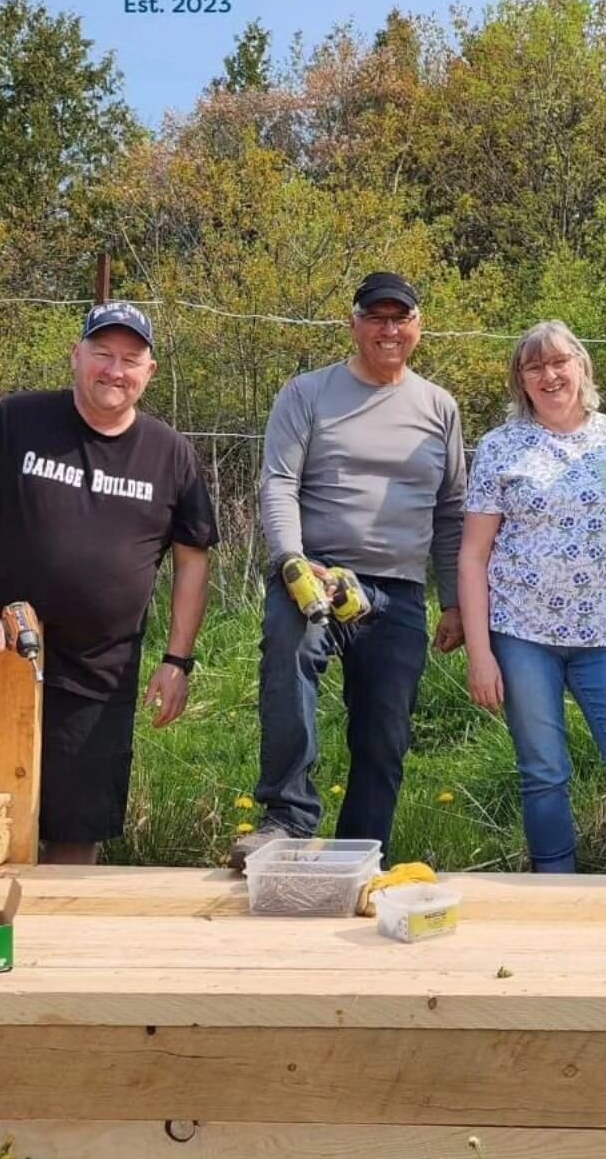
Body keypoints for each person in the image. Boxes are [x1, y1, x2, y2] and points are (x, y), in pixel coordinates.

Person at [0, 300, 219, 864]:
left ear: (149, 373)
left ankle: (55, 950)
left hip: (98, 673)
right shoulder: (16, 420)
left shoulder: (170, 453)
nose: (115, 370)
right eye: (102, 354)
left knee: (76, 831)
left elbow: (193, 559)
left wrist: (177, 659)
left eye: (131, 359)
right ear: (75, 357)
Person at [233, 272, 466, 867]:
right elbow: (279, 481)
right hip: (317, 574)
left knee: (385, 732)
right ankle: (286, 817)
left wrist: (456, 603)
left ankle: (358, 854)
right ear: (354, 323)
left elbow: (451, 510)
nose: (388, 329)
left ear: (418, 326)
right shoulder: (308, 393)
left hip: (399, 590)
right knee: (289, 664)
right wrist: (290, 559)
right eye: (376, 317)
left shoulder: (439, 407)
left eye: (400, 318)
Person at [459, 321, 606, 874]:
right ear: (521, 382)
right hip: (521, 634)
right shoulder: (498, 447)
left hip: (605, 637)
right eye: (534, 368)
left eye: (559, 362)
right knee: (544, 772)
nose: (549, 375)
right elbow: (473, 555)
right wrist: (480, 655)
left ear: (581, 367)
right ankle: (554, 886)